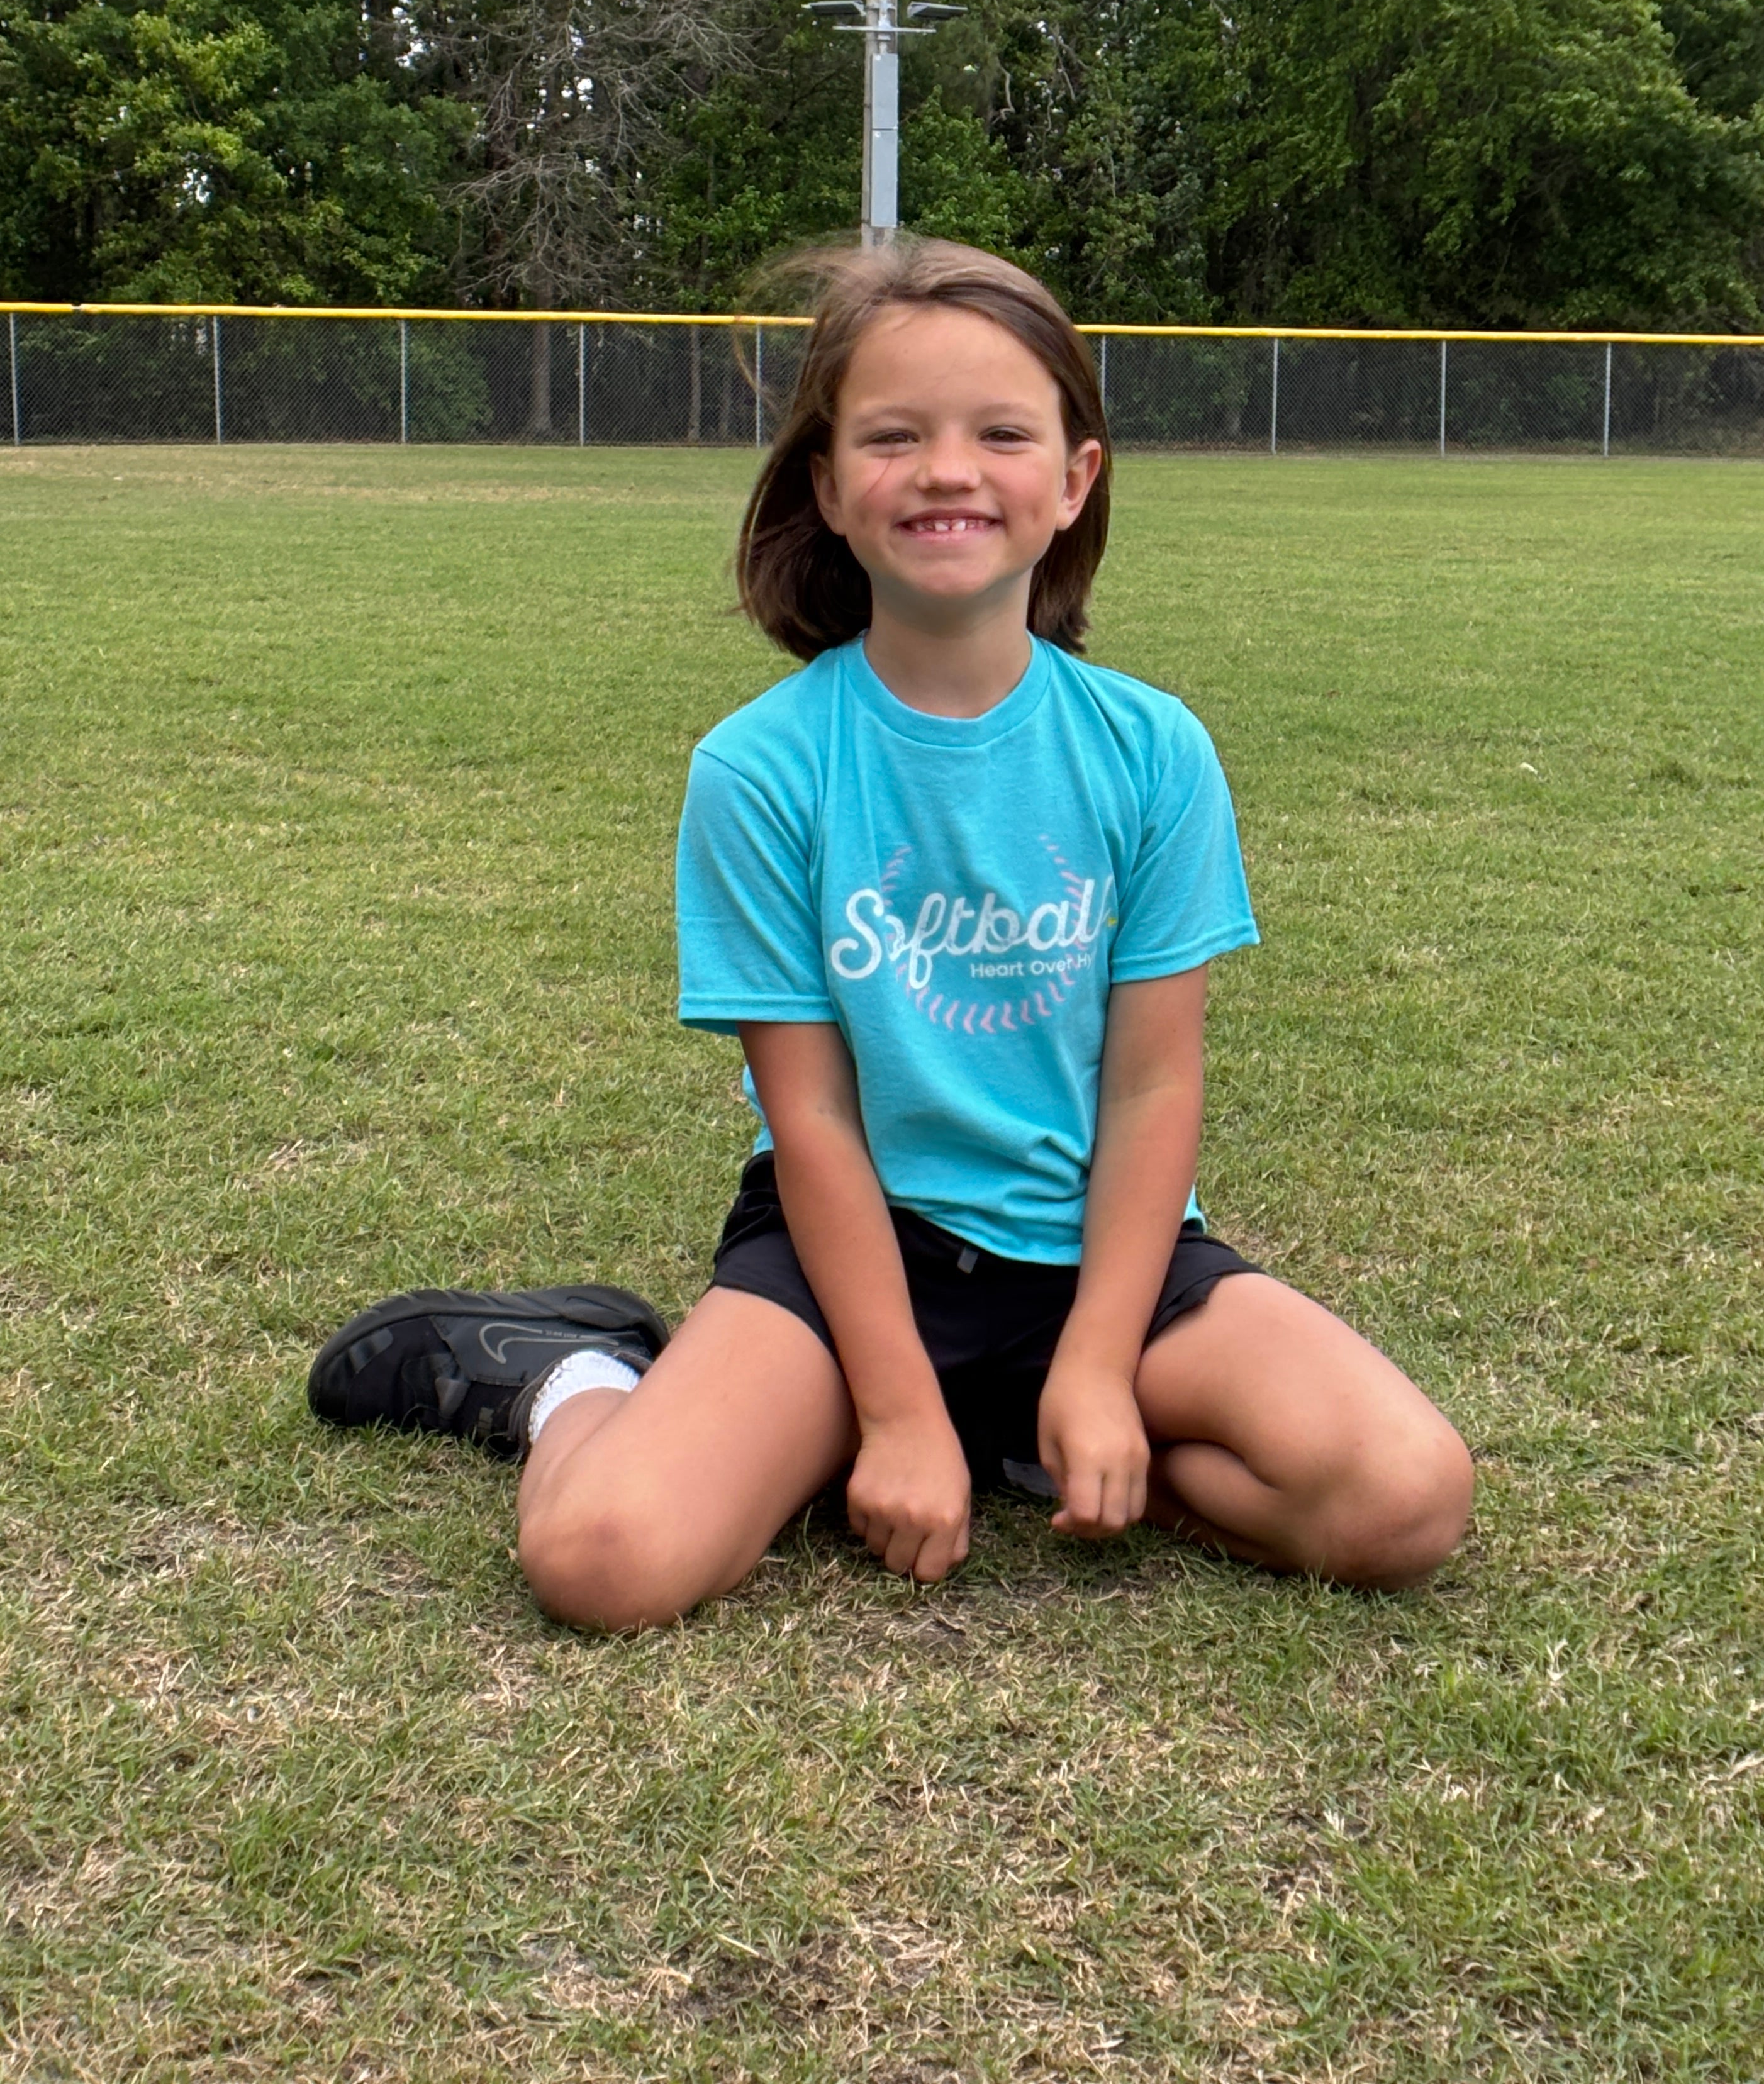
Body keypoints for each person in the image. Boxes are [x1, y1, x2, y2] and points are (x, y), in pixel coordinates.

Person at [308, 238, 1472, 1629]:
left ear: (1075, 479)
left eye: (1001, 433)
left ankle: (1031, 1441)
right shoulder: (763, 769)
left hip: (1099, 1253)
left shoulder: (1152, 752)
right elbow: (809, 1121)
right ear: (828, 485)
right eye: (894, 436)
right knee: (604, 1563)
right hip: (858, 1248)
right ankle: (579, 1372)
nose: (948, 470)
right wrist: (899, 1403)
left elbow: (1155, 1083)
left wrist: (1097, 1368)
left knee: (1405, 1496)